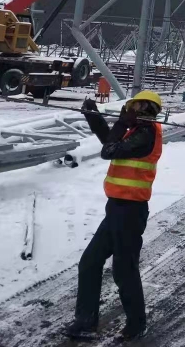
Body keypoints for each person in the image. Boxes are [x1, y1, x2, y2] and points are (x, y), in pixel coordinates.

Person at [66, 91, 163, 343]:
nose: (132, 112)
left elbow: (109, 150)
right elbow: (108, 140)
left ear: (146, 110)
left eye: (136, 108)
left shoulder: (147, 134)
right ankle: (85, 321)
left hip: (131, 212)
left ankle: (136, 324)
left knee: (124, 269)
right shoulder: (136, 131)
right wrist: (93, 115)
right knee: (90, 262)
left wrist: (121, 124)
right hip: (116, 208)